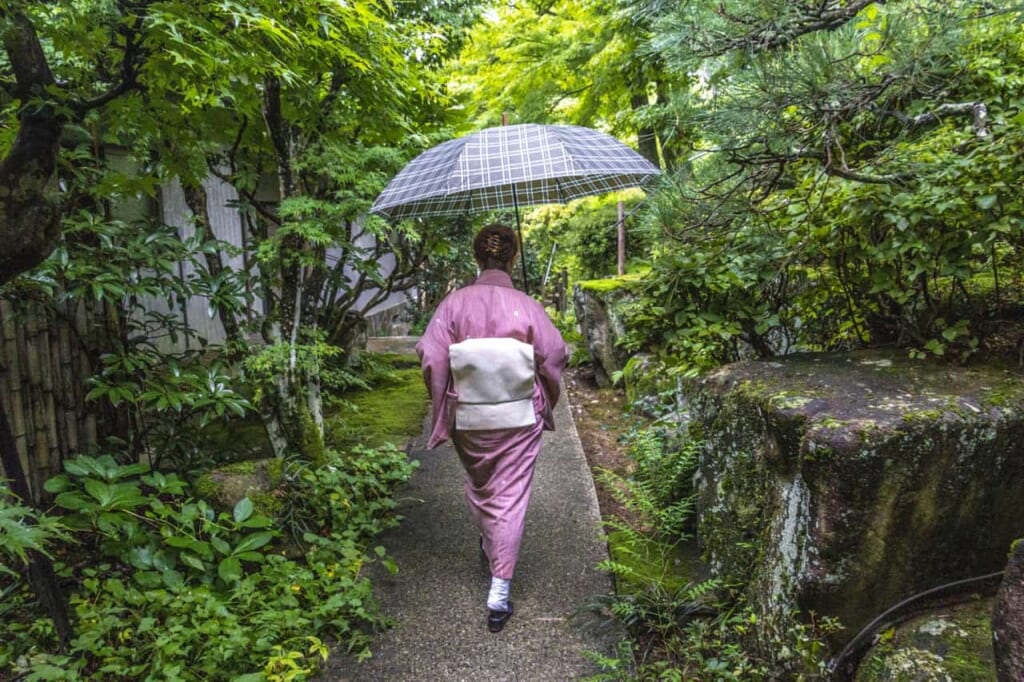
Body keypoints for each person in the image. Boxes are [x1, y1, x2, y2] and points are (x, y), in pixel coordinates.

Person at [416, 223, 568, 633]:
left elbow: (431, 355)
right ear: (514, 257)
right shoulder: (527, 305)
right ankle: (499, 594)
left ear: (476, 256)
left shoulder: (454, 303)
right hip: (518, 414)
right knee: (510, 495)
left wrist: (444, 400)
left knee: (482, 486)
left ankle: (491, 546)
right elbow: (555, 354)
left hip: (469, 414)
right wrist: (544, 395)